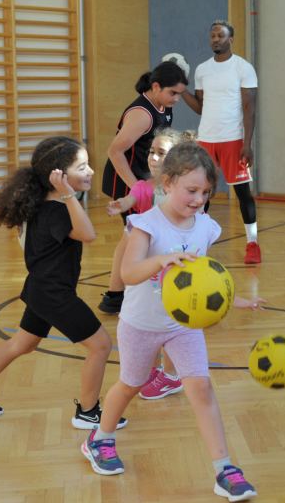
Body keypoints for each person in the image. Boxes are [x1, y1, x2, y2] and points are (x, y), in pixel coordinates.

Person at [82, 142, 265, 502]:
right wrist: (161, 260)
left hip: (183, 326)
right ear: (167, 183)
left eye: (206, 192)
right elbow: (128, 273)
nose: (199, 199)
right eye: (191, 190)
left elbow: (204, 281)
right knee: (130, 384)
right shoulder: (145, 225)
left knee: (201, 388)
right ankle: (100, 439)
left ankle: (224, 469)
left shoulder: (206, 227)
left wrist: (235, 300)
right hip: (140, 324)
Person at [0, 137, 126, 430]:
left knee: (22, 343)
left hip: (40, 290)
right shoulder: (56, 210)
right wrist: (69, 195)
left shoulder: (47, 205)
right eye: (82, 167)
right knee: (100, 346)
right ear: (58, 177)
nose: (91, 171)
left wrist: (67, 195)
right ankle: (88, 412)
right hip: (53, 294)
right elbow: (88, 234)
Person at [106, 128, 195, 401]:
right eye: (151, 152)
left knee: (172, 319)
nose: (153, 158)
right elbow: (131, 199)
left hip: (174, 263)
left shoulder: (183, 194)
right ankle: (154, 369)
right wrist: (121, 205)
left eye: (161, 153)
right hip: (150, 265)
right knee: (152, 319)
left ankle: (172, 376)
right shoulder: (144, 186)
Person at [99, 61, 188, 314]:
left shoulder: (163, 105)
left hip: (143, 178)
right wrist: (136, 189)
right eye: (173, 93)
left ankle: (120, 293)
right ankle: (116, 295)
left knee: (133, 236)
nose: (177, 99)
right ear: (156, 87)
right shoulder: (142, 114)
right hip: (125, 178)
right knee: (131, 237)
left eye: (180, 93)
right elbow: (114, 151)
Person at [181, 20, 262, 265]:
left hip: (233, 140)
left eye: (221, 35)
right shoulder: (202, 70)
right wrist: (182, 90)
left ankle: (252, 244)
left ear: (231, 39)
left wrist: (247, 143)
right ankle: (195, 242)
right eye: (213, 35)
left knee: (242, 193)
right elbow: (200, 107)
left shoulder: (243, 68)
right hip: (206, 139)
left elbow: (249, 108)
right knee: (201, 192)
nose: (216, 39)